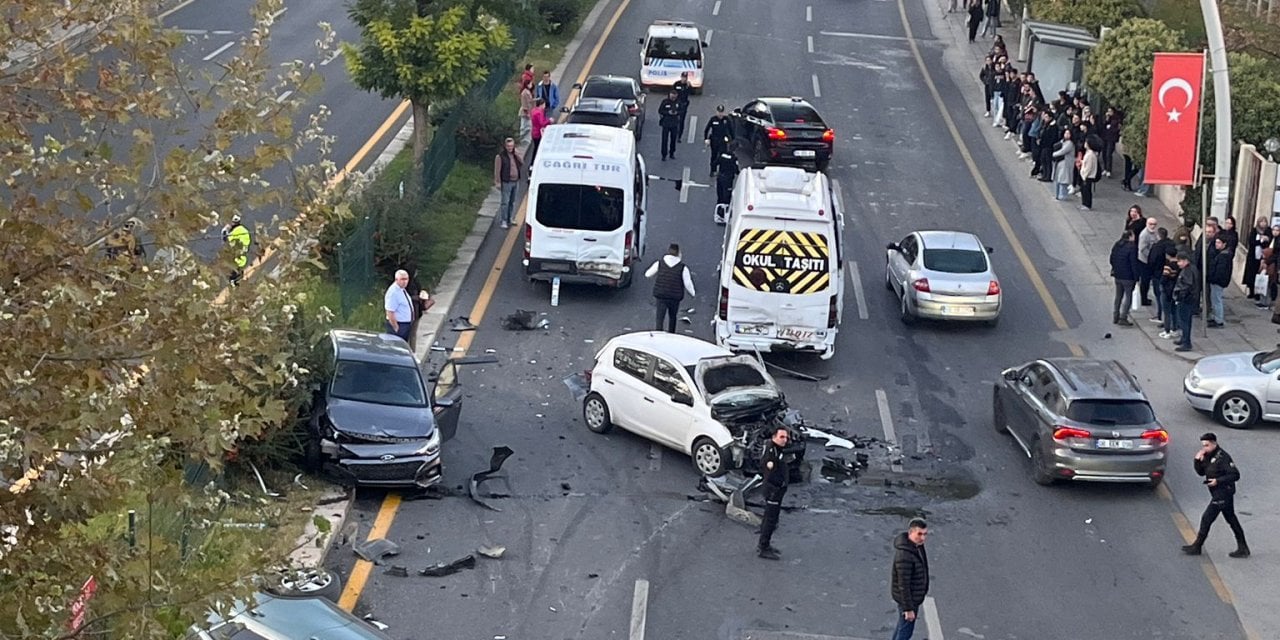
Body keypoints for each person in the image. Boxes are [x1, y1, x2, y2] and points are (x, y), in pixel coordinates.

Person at [1182, 433, 1249, 558]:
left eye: (1207, 445)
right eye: (1203, 445)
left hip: (1223, 493)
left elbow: (1235, 475)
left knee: (1207, 518)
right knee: (1231, 519)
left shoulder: (1223, 457)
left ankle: (1197, 546)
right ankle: (1243, 547)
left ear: (1214, 443)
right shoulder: (1208, 456)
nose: (1204, 448)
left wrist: (1218, 481)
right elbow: (1201, 473)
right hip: (1218, 493)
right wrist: (1197, 461)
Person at [890, 518, 930, 640]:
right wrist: (908, 608)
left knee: (902, 627)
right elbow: (903, 584)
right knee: (905, 632)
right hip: (909, 599)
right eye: (919, 534)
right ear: (910, 532)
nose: (923, 538)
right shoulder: (905, 556)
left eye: (925, 534)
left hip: (913, 597)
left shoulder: (917, 546)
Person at [756, 427, 791, 560]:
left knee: (770, 517)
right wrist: (777, 487)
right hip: (773, 491)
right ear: (774, 437)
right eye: (781, 437)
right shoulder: (772, 453)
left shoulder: (777, 449)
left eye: (786, 437)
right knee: (770, 520)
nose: (785, 440)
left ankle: (765, 544)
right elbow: (769, 472)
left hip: (776, 491)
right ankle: (763, 547)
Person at [644, 244, 695, 332]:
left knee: (659, 317)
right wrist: (693, 293)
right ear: (678, 253)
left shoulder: (659, 263)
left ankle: (658, 333)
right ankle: (671, 333)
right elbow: (688, 283)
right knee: (673, 317)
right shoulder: (682, 268)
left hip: (661, 295)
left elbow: (648, 274)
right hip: (674, 297)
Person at [1109, 231, 1140, 326]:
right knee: (1128, 297)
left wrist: (1115, 268)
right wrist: (1136, 277)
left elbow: (1111, 258)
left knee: (1118, 296)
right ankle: (1123, 317)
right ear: (1130, 237)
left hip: (1118, 275)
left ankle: (1115, 315)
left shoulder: (1117, 245)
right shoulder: (1132, 247)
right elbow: (1133, 263)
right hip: (1128, 277)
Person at [493, 137, 523, 230]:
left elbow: (522, 162)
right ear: (505, 146)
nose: (510, 148)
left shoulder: (515, 155)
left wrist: (517, 154)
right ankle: (504, 220)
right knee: (505, 202)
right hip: (507, 182)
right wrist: (497, 182)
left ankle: (510, 218)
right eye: (508, 146)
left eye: (512, 146)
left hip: (516, 181)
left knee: (512, 202)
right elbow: (497, 170)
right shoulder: (500, 156)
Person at [1173, 252, 1200, 352]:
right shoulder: (1191, 269)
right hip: (1189, 299)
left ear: (1185, 261)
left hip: (1186, 300)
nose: (1178, 264)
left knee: (1184, 321)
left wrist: (1179, 297)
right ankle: (1184, 339)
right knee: (1185, 320)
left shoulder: (1187, 271)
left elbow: (1186, 286)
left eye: (1179, 261)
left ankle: (1186, 343)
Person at [1242, 217, 1271, 299]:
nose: (1263, 223)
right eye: (1261, 221)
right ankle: (1251, 292)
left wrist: (1264, 240)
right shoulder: (1254, 230)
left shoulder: (1268, 231)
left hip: (1262, 257)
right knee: (1251, 274)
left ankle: (1258, 293)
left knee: (1259, 275)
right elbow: (1251, 241)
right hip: (1253, 256)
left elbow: (1268, 244)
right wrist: (1260, 241)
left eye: (1264, 221)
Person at [1207, 236, 1232, 328]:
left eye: (1219, 243)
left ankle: (1219, 320)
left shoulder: (1223, 256)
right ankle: (1216, 317)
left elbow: (1220, 271)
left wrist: (1212, 279)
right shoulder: (1222, 254)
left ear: (1224, 244)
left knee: (1217, 300)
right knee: (1215, 300)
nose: (1217, 244)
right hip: (1218, 281)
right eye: (1216, 242)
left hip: (1218, 282)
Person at [384, 269, 416, 343]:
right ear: (396, 279)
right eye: (402, 279)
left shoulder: (401, 289)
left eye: (406, 279)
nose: (405, 281)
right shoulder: (394, 292)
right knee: (397, 345)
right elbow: (390, 311)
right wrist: (396, 327)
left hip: (405, 324)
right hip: (399, 324)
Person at [1156, 245, 1181, 337]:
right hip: (1175, 290)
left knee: (1166, 311)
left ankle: (1167, 330)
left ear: (1167, 255)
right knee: (1174, 310)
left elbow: (1164, 279)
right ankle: (1175, 328)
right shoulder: (1179, 265)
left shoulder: (1168, 266)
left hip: (1167, 290)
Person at [703, 104, 733, 176]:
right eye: (719, 112)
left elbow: (731, 130)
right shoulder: (713, 119)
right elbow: (706, 130)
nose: (720, 114)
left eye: (721, 112)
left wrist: (732, 140)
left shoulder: (726, 120)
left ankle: (721, 171)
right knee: (714, 156)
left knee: (723, 156)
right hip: (714, 140)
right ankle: (713, 170)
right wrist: (706, 139)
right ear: (716, 112)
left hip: (723, 140)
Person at [222, 214, 251, 285]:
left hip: (238, 252)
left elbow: (225, 239)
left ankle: (234, 280)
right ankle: (237, 278)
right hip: (243, 251)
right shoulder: (243, 229)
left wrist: (225, 230)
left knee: (231, 263)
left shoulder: (236, 231)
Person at [713, 149, 739, 224]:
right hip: (728, 179)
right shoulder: (733, 158)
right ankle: (724, 214)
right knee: (726, 198)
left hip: (720, 177)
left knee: (720, 196)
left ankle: (718, 212)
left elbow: (714, 163)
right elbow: (736, 170)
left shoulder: (722, 155)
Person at [1136, 217, 1158, 305]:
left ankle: (1145, 297)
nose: (1152, 226)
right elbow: (1142, 249)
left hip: (1151, 261)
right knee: (1145, 281)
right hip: (1144, 261)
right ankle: (1143, 299)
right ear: (1147, 224)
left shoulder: (1155, 233)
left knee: (1148, 281)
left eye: (1154, 224)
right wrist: (1151, 257)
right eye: (1150, 224)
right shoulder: (1144, 235)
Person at [1051, 128, 1075, 200]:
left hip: (1066, 163)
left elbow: (1063, 151)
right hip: (1060, 162)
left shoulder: (1070, 143)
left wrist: (1053, 154)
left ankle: (1063, 196)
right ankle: (1057, 195)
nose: (1066, 135)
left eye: (1068, 133)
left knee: (1063, 180)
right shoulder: (1063, 141)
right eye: (1065, 133)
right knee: (1059, 179)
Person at [658, 90, 681, 161]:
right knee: (664, 140)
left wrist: (677, 113)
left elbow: (681, 111)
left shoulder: (678, 102)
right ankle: (664, 154)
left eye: (674, 96)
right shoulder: (665, 102)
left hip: (674, 123)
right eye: (672, 96)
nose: (673, 97)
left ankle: (672, 153)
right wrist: (668, 112)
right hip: (666, 123)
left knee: (673, 139)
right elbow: (660, 111)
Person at [528, 98, 550, 166]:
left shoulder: (533, 110)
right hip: (538, 133)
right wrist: (549, 121)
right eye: (544, 105)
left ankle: (533, 163)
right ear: (541, 104)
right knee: (538, 148)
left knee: (536, 147)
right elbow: (541, 123)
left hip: (534, 132)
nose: (544, 106)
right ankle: (534, 163)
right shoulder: (539, 112)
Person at [1078, 140, 1099, 211]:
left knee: (1086, 190)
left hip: (1088, 176)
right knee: (1085, 190)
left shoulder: (1090, 154)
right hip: (1088, 175)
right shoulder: (1090, 153)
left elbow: (1088, 167)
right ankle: (1085, 204)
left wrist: (1084, 175)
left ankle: (1086, 204)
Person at [673, 71, 693, 139]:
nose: (684, 79)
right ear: (681, 77)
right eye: (683, 77)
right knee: (674, 118)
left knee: (681, 120)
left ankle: (679, 136)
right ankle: (674, 132)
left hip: (683, 104)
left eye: (685, 78)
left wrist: (689, 86)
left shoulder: (687, 86)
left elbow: (692, 92)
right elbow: (672, 92)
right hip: (676, 104)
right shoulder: (676, 84)